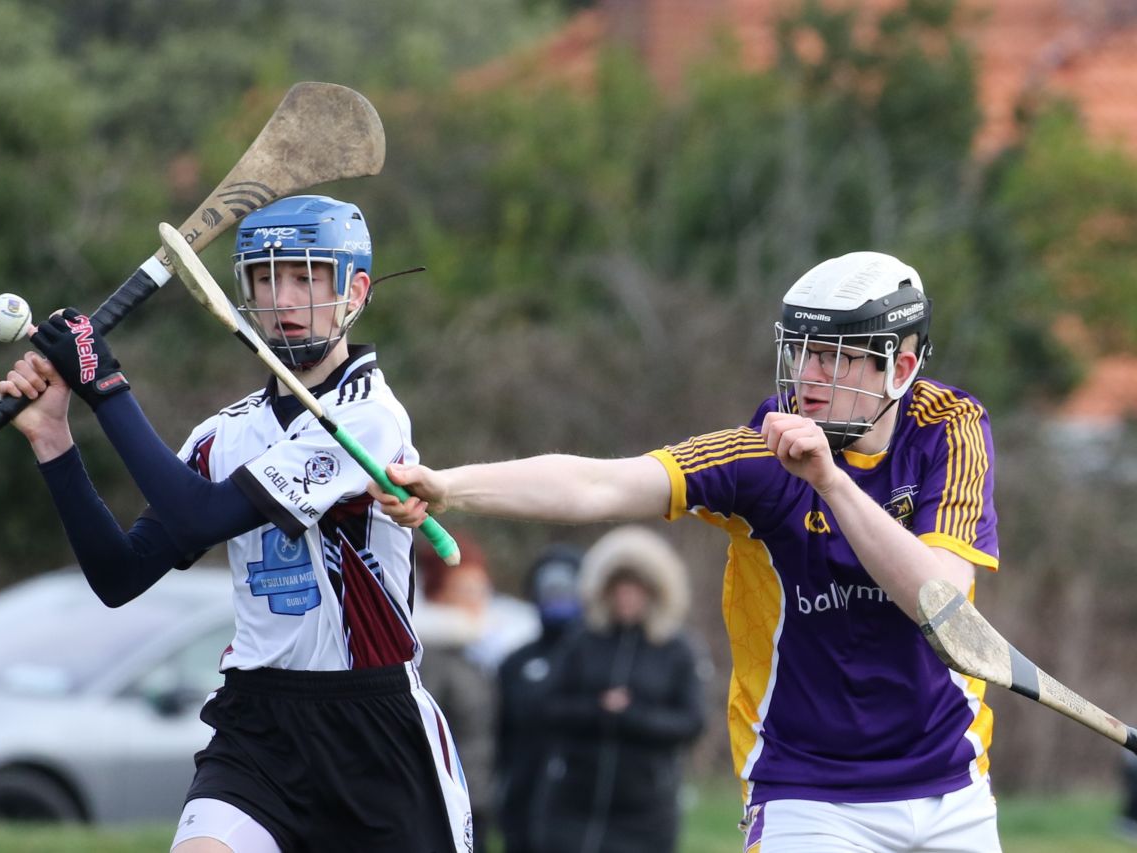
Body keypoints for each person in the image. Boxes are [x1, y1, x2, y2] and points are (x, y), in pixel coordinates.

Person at [371, 251, 1005, 852]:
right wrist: (450, 486)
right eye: (800, 352)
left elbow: (938, 598)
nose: (807, 377)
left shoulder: (950, 433)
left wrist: (830, 482)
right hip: (810, 793)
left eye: (832, 359)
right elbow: (601, 483)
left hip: (952, 782)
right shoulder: (760, 458)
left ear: (899, 366)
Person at [0, 195, 471, 853]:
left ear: (354, 291)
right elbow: (119, 573)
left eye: (307, 277)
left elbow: (204, 515)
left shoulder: (369, 418)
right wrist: (53, 437)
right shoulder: (223, 435)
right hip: (258, 727)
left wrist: (104, 382)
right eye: (265, 278)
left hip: (375, 733)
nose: (283, 297)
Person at [531, 525, 705, 853]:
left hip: (646, 808)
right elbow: (547, 706)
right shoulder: (581, 641)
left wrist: (633, 715)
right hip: (574, 799)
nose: (626, 597)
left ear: (655, 592)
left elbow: (691, 721)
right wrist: (598, 709)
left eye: (635, 588)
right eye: (619, 587)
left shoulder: (677, 649)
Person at [494, 542, 584, 853]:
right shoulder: (515, 663)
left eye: (566, 587)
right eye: (549, 588)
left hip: (582, 800)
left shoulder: (600, 659)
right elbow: (502, 734)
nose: (557, 596)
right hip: (523, 798)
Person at [414, 532, 498, 853]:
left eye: (480, 588)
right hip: (443, 806)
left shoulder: (475, 652)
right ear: (438, 592)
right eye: (465, 588)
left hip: (476, 801)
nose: (476, 598)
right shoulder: (429, 656)